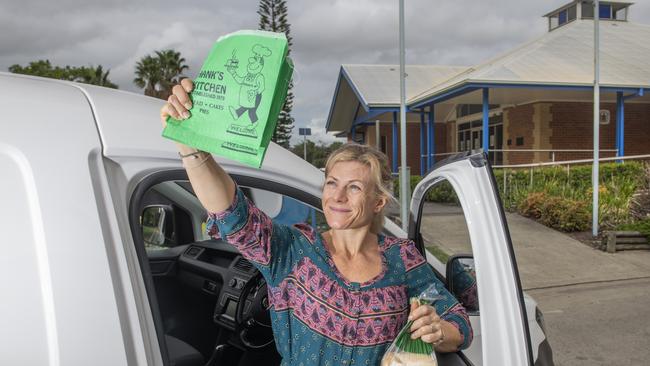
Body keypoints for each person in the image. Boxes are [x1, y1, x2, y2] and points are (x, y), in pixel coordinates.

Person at [161, 79, 473, 365]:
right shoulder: (293, 250)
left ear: (378, 202)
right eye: (331, 183)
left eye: (353, 188)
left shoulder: (403, 259)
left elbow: (459, 323)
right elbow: (233, 215)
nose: (337, 197)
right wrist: (191, 149)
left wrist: (437, 330)